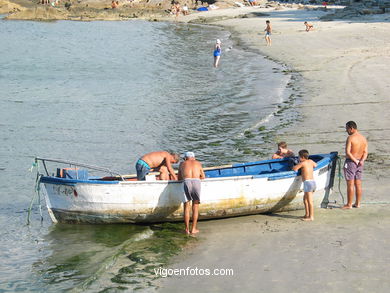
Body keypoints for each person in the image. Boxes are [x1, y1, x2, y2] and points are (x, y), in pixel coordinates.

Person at [342, 121, 368, 209]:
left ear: (351, 128)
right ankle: (357, 203)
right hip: (360, 162)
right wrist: (362, 160)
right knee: (358, 184)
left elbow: (348, 152)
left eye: (347, 129)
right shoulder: (363, 138)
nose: (346, 131)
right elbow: (365, 152)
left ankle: (349, 204)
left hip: (351, 162)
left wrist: (354, 161)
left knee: (350, 184)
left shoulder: (350, 138)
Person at [178, 152, 205, 235]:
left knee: (186, 206)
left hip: (187, 182)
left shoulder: (182, 164)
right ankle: (193, 229)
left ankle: (186, 230)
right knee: (195, 206)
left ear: (186, 158)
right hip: (197, 182)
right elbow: (203, 177)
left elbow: (179, 178)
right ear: (194, 157)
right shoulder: (198, 163)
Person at [293, 150, 317, 221]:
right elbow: (316, 165)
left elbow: (295, 169)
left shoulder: (302, 163)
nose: (298, 158)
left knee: (309, 201)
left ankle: (311, 217)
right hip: (313, 182)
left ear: (302, 157)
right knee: (305, 200)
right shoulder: (311, 161)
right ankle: (307, 214)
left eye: (299, 157)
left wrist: (297, 166)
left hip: (307, 183)